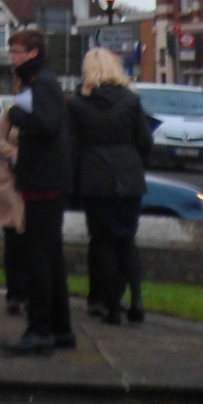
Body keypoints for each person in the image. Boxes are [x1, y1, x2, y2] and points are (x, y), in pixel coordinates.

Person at [0, 27, 75, 357]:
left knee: (39, 258)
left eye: (16, 52)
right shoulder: (42, 80)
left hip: (43, 181)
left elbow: (46, 124)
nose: (12, 58)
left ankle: (40, 329)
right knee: (52, 257)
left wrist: (16, 114)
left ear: (32, 53)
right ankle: (61, 329)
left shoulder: (41, 82)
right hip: (45, 179)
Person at [66, 47, 151, 326]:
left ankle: (111, 306)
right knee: (127, 239)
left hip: (95, 179)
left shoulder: (78, 104)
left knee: (103, 243)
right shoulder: (130, 100)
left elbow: (72, 147)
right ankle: (136, 298)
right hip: (129, 178)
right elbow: (146, 141)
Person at [0, 31, 36, 316]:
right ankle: (14, 294)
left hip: (34, 183)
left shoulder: (44, 112)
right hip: (11, 183)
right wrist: (13, 152)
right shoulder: (11, 110)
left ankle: (29, 291)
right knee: (12, 244)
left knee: (30, 243)